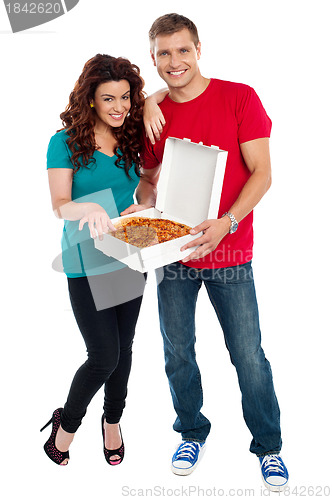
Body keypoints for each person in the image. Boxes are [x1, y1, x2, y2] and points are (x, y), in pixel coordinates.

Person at [123, 13, 289, 492]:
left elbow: (262, 173)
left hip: (229, 252)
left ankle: (269, 446)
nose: (174, 62)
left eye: (182, 50)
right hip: (172, 255)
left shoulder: (240, 97)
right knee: (177, 353)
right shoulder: (152, 115)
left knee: (248, 355)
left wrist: (227, 223)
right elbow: (149, 184)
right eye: (163, 53)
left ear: (199, 50)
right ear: (152, 58)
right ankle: (191, 432)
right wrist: (144, 201)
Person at [41, 54, 150, 466]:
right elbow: (59, 204)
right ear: (91, 100)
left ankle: (113, 420)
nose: (119, 106)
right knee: (104, 355)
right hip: (86, 258)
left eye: (125, 97)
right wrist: (86, 209)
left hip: (130, 252)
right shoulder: (64, 142)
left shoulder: (131, 137)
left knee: (125, 348)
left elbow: (144, 195)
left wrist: (139, 208)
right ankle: (66, 424)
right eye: (109, 99)